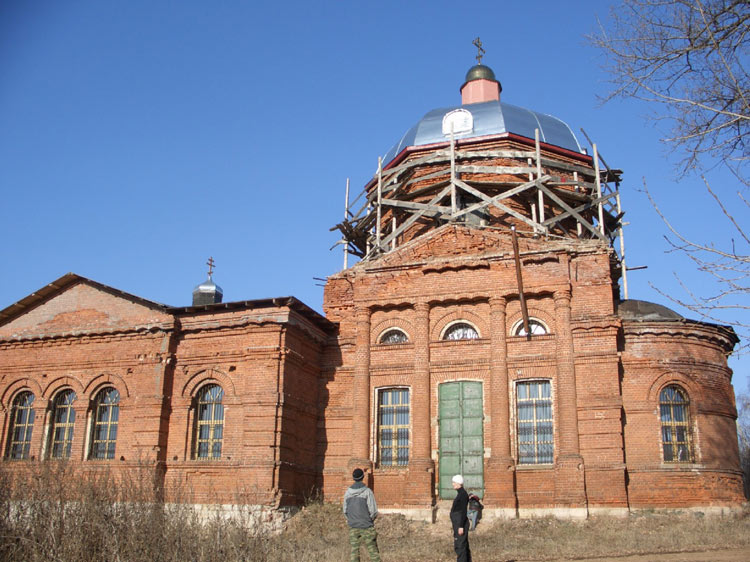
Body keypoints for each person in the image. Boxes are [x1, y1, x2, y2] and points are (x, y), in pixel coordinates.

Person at [343, 468, 381, 562]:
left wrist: (351, 520)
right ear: (363, 477)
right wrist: (369, 520)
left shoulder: (347, 493)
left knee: (354, 552)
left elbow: (345, 510)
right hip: (366, 525)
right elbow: (373, 511)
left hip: (353, 526)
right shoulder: (367, 492)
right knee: (373, 553)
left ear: (353, 478)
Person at [450, 474, 472, 562]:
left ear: (459, 483)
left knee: (460, 546)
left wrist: (461, 526)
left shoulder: (462, 495)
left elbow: (463, 511)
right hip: (458, 523)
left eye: (454, 482)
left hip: (460, 524)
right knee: (464, 546)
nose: (453, 484)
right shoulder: (460, 494)